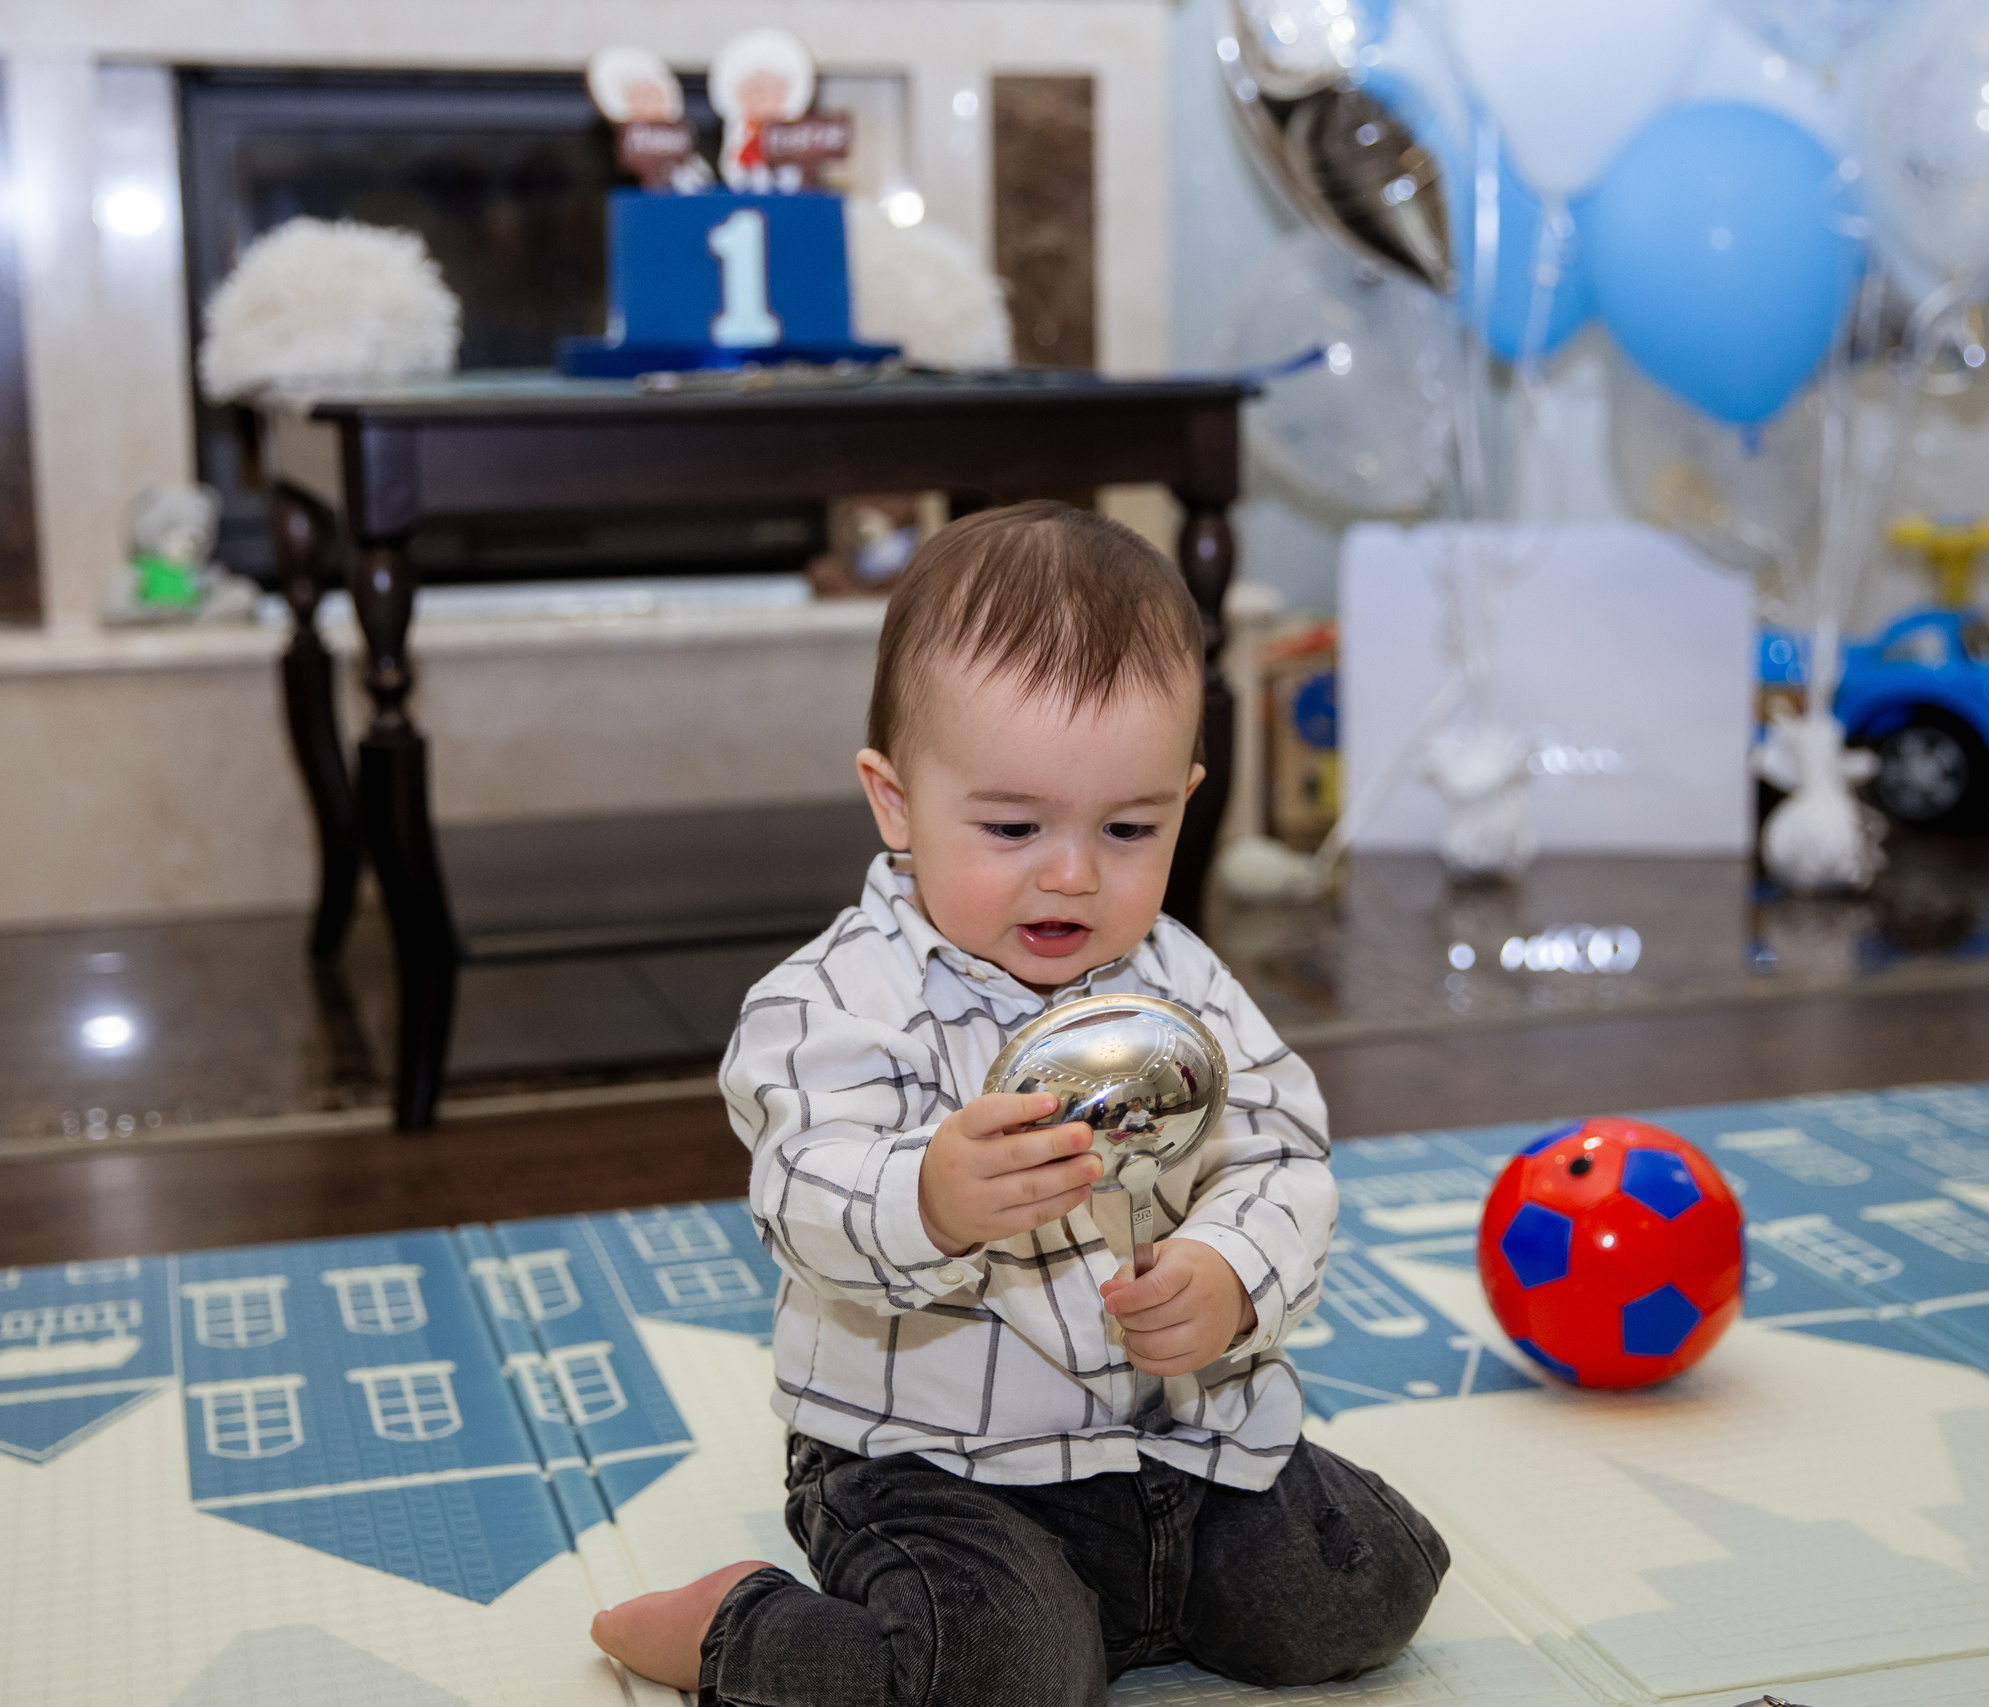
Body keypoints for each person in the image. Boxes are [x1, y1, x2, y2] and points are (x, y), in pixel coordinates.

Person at [590, 502, 1447, 1704]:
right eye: (1011, 826)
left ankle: (1127, 1608)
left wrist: (1230, 1274)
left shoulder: (1182, 979)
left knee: (1364, 1590)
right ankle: (733, 1629)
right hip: (933, 1466)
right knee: (1006, 1679)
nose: (1073, 872)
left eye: (1130, 826)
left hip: (1180, 1437)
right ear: (895, 800)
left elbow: (1277, 1152)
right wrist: (929, 1200)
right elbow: (802, 1195)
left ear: (1185, 800)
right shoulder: (834, 1001)